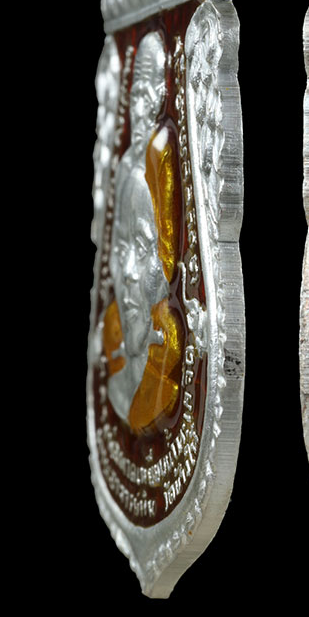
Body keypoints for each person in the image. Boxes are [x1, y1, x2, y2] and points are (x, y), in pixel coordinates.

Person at [103, 31, 183, 433]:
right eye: (124, 249)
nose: (130, 270)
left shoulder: (167, 376)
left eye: (142, 246)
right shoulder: (127, 171)